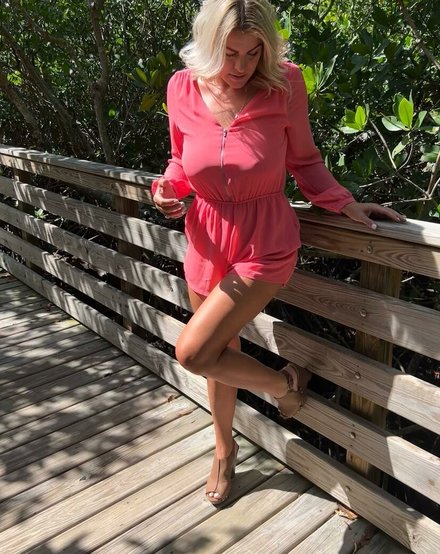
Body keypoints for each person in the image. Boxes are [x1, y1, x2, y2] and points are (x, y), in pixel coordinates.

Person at [152, 0, 405, 506]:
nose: (242, 66)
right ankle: (225, 449)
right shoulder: (182, 87)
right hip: (206, 236)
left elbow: (304, 161)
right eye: (230, 53)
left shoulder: (284, 83)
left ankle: (283, 388)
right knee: (219, 354)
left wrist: (344, 203)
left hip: (264, 240)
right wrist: (167, 189)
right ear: (209, 45)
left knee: (194, 353)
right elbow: (182, 159)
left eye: (253, 52)